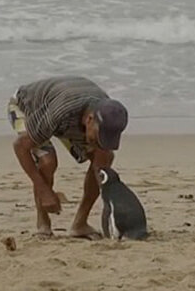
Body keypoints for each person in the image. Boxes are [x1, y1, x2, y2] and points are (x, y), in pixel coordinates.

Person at [7, 76, 128, 239]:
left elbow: (101, 156)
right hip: (27, 106)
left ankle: (80, 224)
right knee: (47, 161)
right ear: (90, 120)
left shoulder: (108, 111)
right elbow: (20, 146)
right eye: (99, 136)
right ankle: (43, 223)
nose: (100, 142)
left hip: (69, 119)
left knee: (103, 157)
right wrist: (44, 190)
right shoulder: (61, 111)